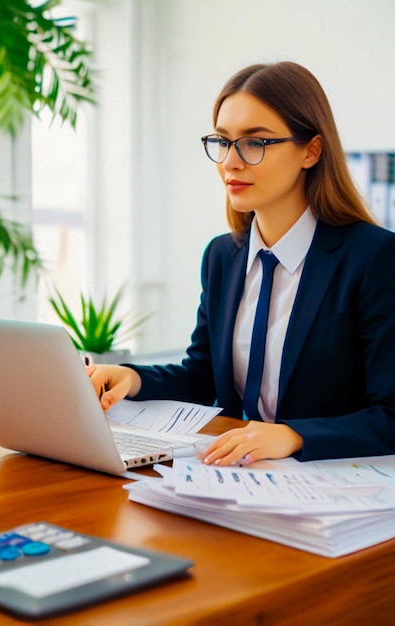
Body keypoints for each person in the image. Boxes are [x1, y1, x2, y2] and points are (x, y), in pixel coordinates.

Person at [88, 61, 395, 466]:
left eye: (255, 143)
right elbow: (202, 377)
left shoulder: (373, 257)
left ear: (311, 150)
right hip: (233, 476)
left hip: (330, 483)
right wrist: (134, 378)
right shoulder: (223, 256)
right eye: (222, 141)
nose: (230, 162)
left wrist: (294, 436)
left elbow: (391, 414)